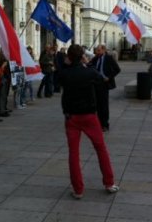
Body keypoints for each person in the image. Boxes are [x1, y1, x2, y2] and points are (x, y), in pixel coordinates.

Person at [58, 44, 119, 199]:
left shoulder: (64, 73)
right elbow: (102, 80)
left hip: (72, 117)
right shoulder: (90, 72)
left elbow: (57, 79)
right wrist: (86, 64)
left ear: (69, 57)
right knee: (101, 149)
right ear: (83, 57)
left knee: (74, 153)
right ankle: (109, 183)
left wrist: (67, 64)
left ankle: (78, 190)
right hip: (90, 116)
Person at [89, 44, 121, 131]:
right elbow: (89, 66)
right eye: (96, 50)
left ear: (103, 50)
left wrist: (109, 77)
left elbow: (117, 69)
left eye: (98, 50)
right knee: (97, 104)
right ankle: (98, 123)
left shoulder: (108, 58)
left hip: (104, 83)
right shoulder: (95, 58)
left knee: (103, 105)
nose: (97, 52)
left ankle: (105, 124)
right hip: (96, 83)